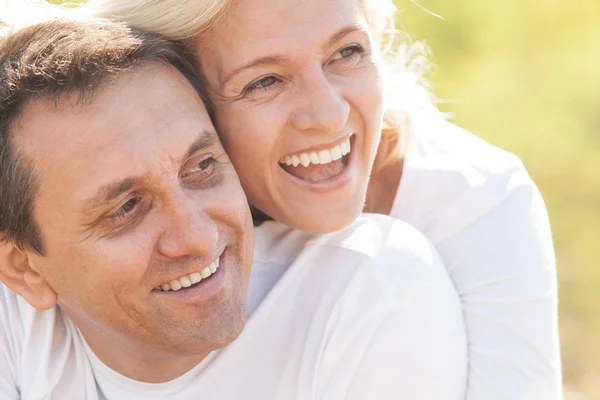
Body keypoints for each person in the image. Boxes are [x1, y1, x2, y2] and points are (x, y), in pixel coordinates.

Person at [81, 0, 562, 398]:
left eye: (347, 53)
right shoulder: (109, 224)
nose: (329, 116)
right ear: (174, 101)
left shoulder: (478, 201)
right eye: (264, 81)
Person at [0, 18, 467, 399]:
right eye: (126, 208)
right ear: (25, 271)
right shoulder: (16, 325)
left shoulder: (368, 291)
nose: (199, 236)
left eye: (202, 167)